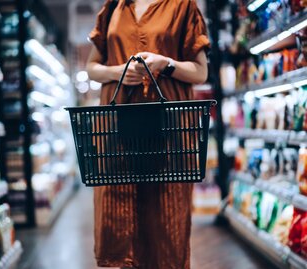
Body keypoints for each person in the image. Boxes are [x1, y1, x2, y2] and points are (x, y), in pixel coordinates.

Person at [86, 0, 210, 268]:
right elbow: (92, 67)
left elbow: (201, 72)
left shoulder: (182, 6)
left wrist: (165, 63)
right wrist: (119, 72)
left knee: (166, 223)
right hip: (117, 132)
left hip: (170, 134)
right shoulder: (113, 7)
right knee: (117, 220)